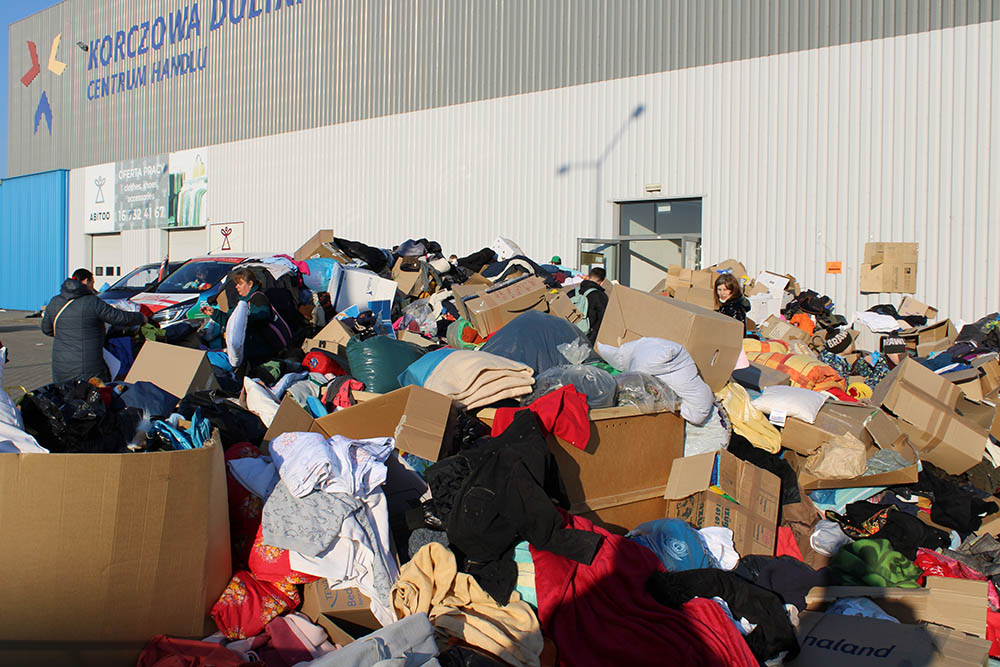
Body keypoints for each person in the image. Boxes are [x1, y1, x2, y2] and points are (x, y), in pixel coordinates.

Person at [41, 268, 147, 383]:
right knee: (93, 396)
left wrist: (66, 335)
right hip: (88, 367)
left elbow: (46, 329)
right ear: (87, 281)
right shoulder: (92, 302)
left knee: (66, 396)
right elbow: (119, 317)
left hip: (60, 366)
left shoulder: (55, 301)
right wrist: (141, 317)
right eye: (92, 283)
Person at [200, 267, 284, 366]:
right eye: (236, 284)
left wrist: (245, 318)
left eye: (240, 284)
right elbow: (231, 322)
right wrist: (214, 313)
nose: (236, 287)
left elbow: (262, 317)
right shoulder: (242, 302)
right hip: (251, 351)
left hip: (261, 352)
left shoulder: (257, 298)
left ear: (250, 284)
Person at [569, 267, 609, 345]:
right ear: (602, 282)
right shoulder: (601, 296)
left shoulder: (572, 292)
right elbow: (602, 321)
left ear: (588, 277)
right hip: (587, 339)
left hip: (569, 334)